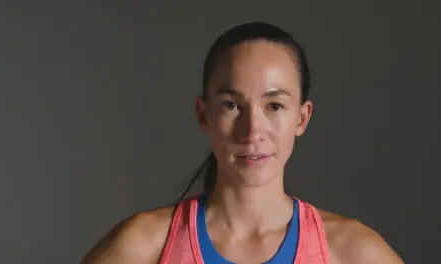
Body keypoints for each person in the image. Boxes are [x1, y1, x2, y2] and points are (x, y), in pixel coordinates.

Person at [81, 22, 404, 264]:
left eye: (274, 106)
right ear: (203, 114)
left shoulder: (353, 252)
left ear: (302, 118)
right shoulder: (142, 245)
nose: (252, 131)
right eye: (232, 105)